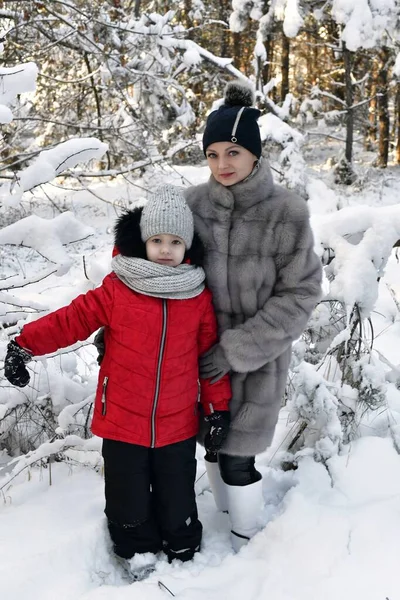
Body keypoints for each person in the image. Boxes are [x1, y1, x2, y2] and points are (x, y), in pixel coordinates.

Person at [3, 185, 231, 580]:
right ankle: (137, 554)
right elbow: (71, 319)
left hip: (176, 423)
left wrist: (215, 412)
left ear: (188, 246)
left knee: (177, 497)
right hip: (124, 420)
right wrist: (25, 345)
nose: (164, 249)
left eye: (175, 241)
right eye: (156, 240)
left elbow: (210, 362)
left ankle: (183, 550)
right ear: (142, 241)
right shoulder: (119, 288)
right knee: (127, 499)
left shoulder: (196, 296)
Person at [184, 80, 323, 552]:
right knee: (210, 442)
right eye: (213, 154)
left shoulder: (286, 212)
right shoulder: (190, 206)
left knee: (239, 454)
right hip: (195, 355)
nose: (222, 165)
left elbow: (301, 291)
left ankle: (246, 542)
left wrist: (238, 348)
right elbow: (156, 270)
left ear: (255, 156)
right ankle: (223, 517)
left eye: (233, 153)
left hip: (255, 360)